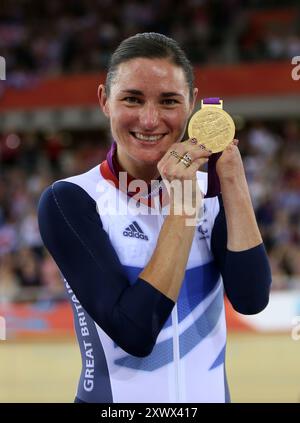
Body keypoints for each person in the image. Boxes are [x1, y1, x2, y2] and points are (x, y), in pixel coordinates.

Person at [38, 32, 271, 403]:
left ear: (193, 104)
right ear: (104, 101)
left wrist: (232, 181)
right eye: (132, 99)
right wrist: (182, 207)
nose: (149, 120)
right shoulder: (71, 200)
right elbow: (134, 333)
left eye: (168, 101)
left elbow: (251, 298)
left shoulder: (213, 189)